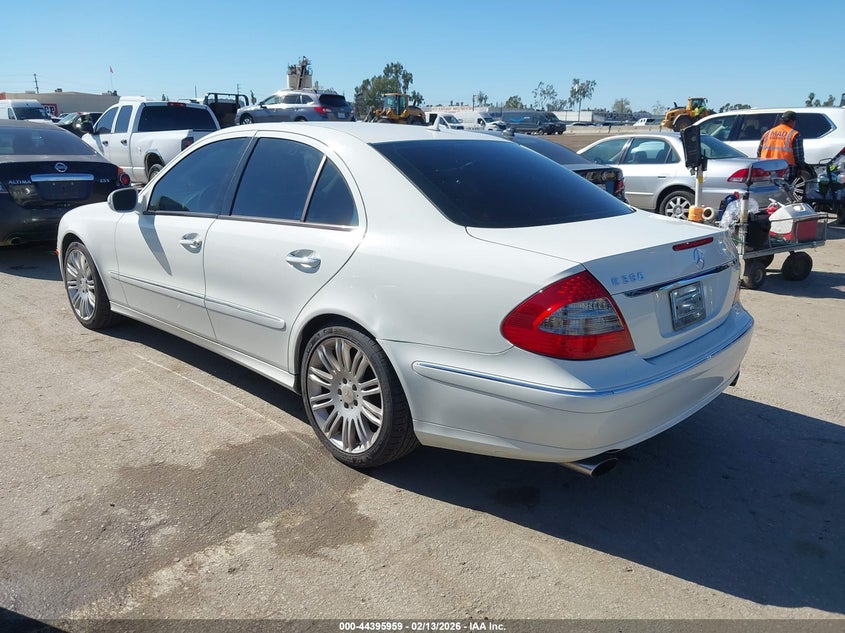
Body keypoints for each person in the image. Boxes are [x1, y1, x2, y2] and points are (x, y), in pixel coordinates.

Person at [757, 110, 811, 180]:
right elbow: (798, 157)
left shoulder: (768, 133)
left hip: (767, 169)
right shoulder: (794, 135)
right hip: (786, 170)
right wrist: (802, 168)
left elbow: (759, 152)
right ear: (792, 121)